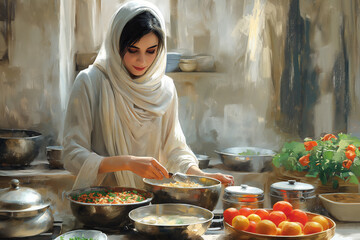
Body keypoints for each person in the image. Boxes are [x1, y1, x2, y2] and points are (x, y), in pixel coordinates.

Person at [63, 0, 234, 189]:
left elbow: (174, 150)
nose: (142, 60)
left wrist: (202, 177)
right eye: (132, 50)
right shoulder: (90, 82)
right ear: (116, 44)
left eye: (151, 51)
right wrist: (127, 162)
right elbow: (72, 155)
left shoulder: (165, 89)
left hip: (152, 207)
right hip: (103, 206)